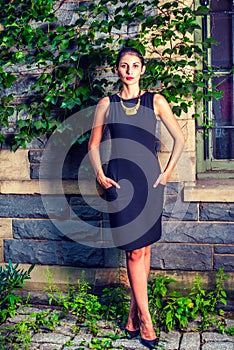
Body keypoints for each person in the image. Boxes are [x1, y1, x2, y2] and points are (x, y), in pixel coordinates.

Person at [88, 47, 185, 349]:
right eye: (123, 65)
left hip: (149, 183)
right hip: (121, 184)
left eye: (135, 65)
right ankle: (146, 320)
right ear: (117, 70)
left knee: (143, 250)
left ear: (142, 69)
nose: (129, 70)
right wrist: (100, 174)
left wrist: (167, 172)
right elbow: (93, 144)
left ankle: (132, 317)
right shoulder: (107, 104)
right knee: (133, 252)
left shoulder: (155, 101)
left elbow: (180, 139)